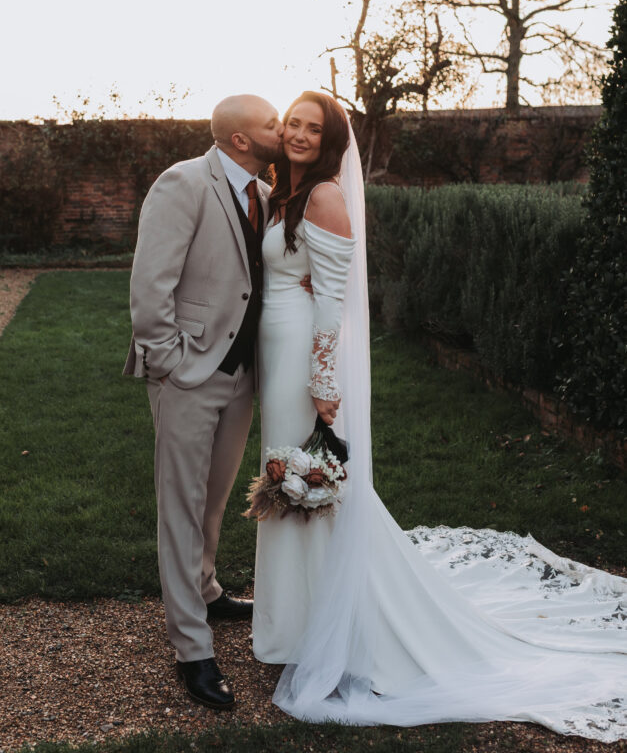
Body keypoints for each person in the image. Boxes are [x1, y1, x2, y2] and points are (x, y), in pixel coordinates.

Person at [252, 90, 627, 743]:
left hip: (303, 369)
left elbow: (333, 305)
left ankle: (328, 626)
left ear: (332, 143)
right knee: (292, 489)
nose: (299, 134)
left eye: (313, 128)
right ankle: (296, 623)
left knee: (310, 490)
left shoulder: (323, 199)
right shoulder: (283, 191)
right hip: (276, 354)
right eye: (293, 123)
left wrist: (320, 385)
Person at [124, 94, 282, 711]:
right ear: (241, 139)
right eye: (271, 124)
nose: (280, 131)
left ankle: (207, 590)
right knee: (182, 508)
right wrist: (170, 364)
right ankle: (192, 647)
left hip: (240, 375)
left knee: (214, 497)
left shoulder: (264, 196)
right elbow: (150, 283)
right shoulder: (183, 183)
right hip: (187, 373)